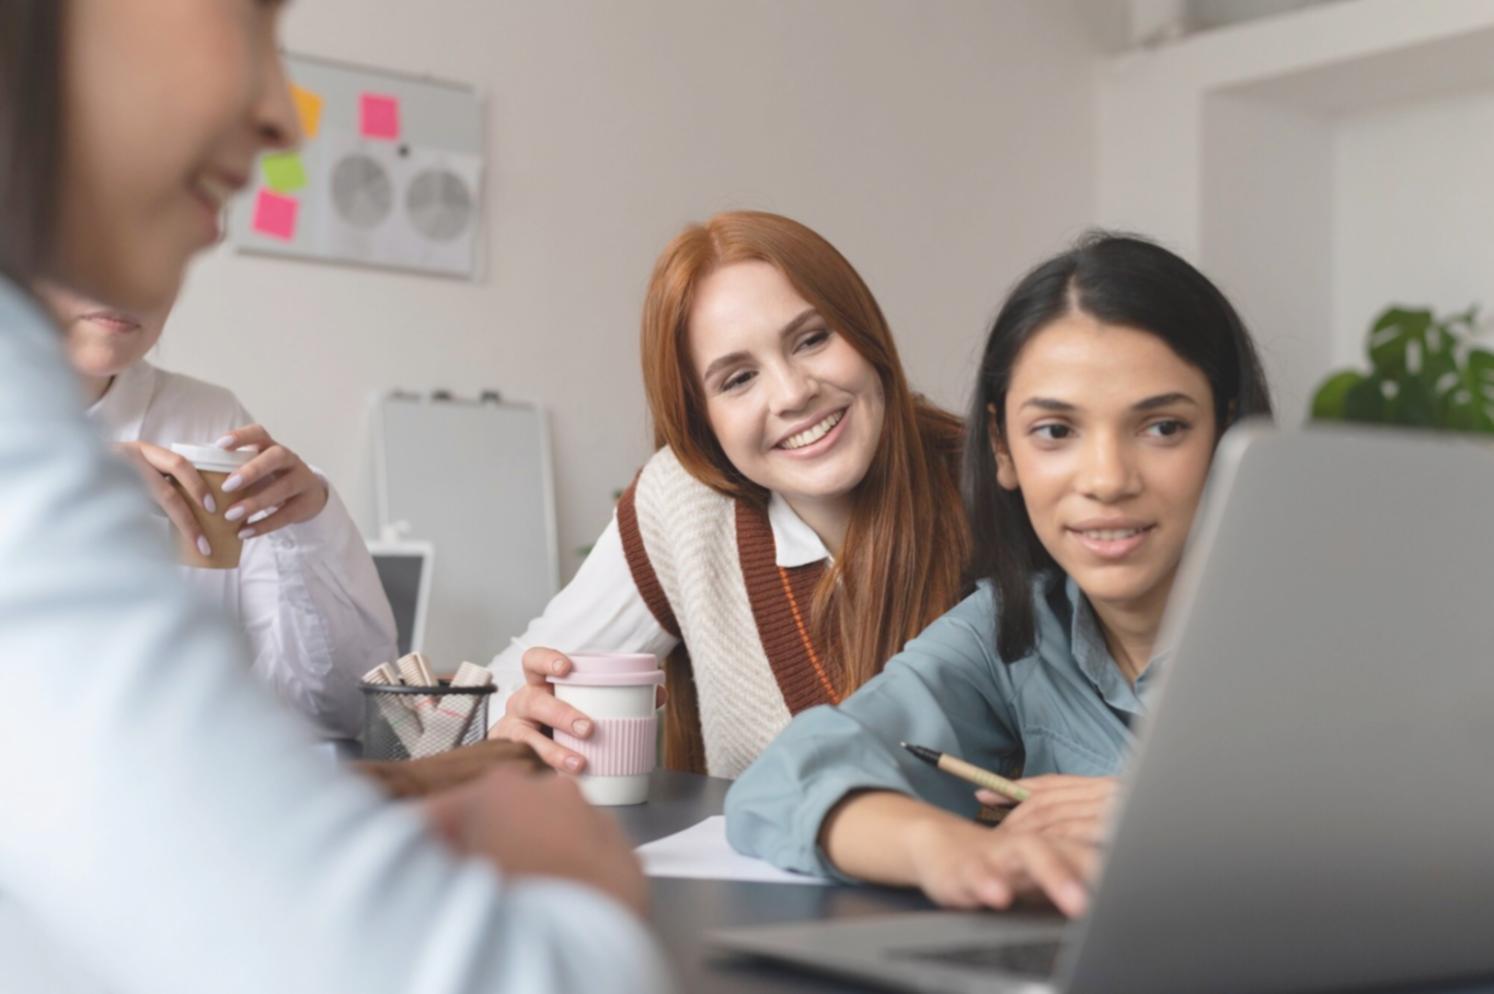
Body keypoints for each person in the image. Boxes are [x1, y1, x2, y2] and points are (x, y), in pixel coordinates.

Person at [0, 3, 666, 993]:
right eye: (246, 22)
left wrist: (309, 521)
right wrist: (582, 898)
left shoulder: (187, 418)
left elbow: (334, 702)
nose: (284, 118)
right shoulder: (35, 454)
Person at [724, 232, 1273, 916]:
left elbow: (1430, 818)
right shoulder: (1009, 629)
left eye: (1162, 427)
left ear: (1227, 436)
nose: (1106, 481)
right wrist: (941, 846)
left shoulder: (1326, 625)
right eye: (1055, 432)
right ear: (1002, 450)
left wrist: (1178, 816)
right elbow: (783, 783)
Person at [491, 210, 969, 778]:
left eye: (812, 339)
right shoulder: (687, 503)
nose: (792, 393)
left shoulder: (994, 483)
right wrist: (510, 718)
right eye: (738, 379)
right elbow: (509, 686)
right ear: (703, 423)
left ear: (866, 334)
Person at [37, 283, 397, 740]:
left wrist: (310, 526)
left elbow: (338, 710)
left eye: (161, 250)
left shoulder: (208, 420)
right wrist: (70, 479)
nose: (128, 281)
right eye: (90, 241)